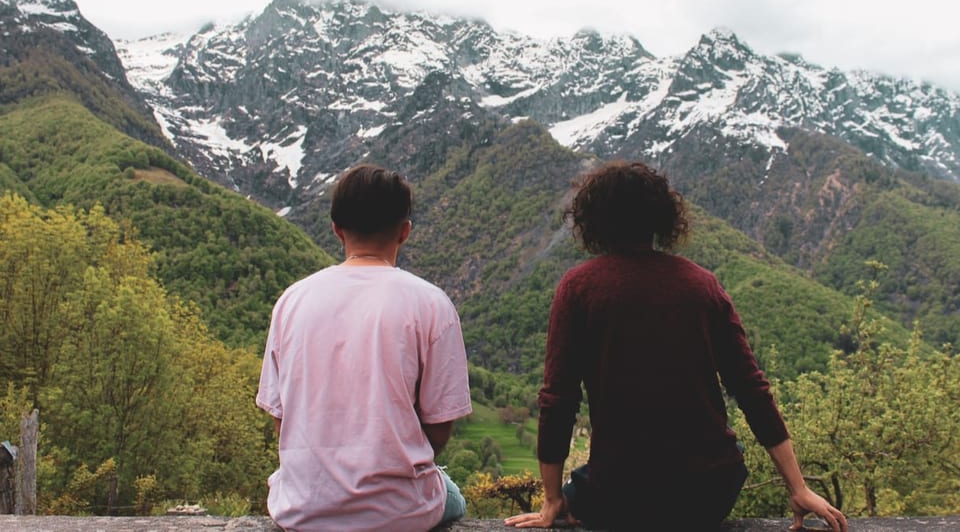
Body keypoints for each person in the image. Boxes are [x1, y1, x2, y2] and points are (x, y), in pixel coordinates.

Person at [504, 161, 847, 531]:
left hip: (618, 493)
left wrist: (554, 500)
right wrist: (798, 487)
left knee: (582, 493)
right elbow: (751, 388)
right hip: (711, 490)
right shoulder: (703, 285)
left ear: (593, 220)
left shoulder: (578, 289)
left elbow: (558, 400)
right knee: (731, 455)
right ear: (662, 218)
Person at [256, 164, 473, 531]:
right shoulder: (432, 304)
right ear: (404, 232)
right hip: (400, 511)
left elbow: (280, 420)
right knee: (455, 498)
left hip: (302, 508)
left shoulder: (291, 301)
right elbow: (439, 428)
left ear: (336, 230)